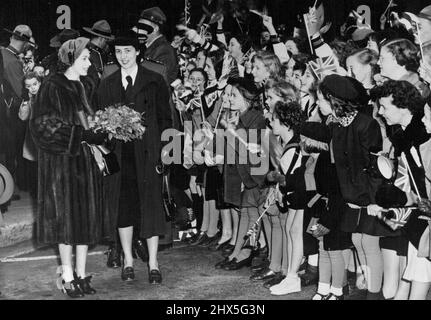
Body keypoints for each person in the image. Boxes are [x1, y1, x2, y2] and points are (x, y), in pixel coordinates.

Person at [30, 37, 104, 298]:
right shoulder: (52, 86)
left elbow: (93, 119)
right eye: (84, 58)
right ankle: (68, 275)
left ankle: (82, 273)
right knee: (66, 222)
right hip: (62, 164)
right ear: (70, 58)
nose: (89, 63)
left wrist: (102, 130)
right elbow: (42, 127)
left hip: (84, 163)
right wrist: (78, 136)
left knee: (84, 220)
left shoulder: (87, 85)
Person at [97, 31, 172, 284]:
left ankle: (153, 263)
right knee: (123, 208)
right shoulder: (107, 84)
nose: (123, 57)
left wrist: (165, 152)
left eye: (128, 51)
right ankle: (128, 260)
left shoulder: (154, 80)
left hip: (149, 155)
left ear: (138, 52)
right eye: (118, 52)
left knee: (150, 207)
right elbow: (99, 122)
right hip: (120, 157)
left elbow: (166, 119)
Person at [1, 25, 35, 208]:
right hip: (10, 115)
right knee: (11, 153)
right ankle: (7, 190)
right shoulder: (13, 61)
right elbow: (22, 90)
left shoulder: (3, 53)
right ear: (24, 42)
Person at [83, 20, 116, 87]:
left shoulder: (83, 48)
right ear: (102, 39)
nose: (107, 43)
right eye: (106, 40)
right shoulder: (94, 54)